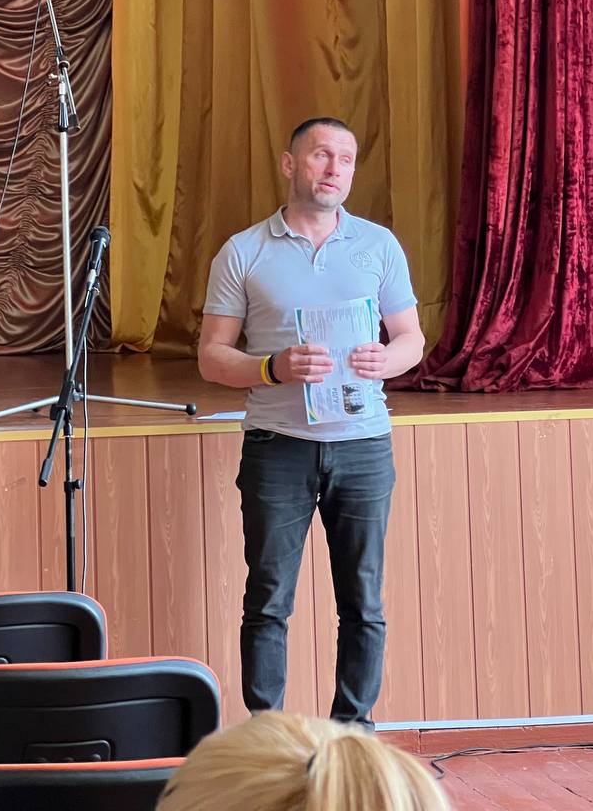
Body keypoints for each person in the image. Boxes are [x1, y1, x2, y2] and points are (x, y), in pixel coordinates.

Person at [198, 118, 425, 726]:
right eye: (322, 155)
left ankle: (353, 733)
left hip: (363, 445)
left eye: (346, 159)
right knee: (269, 599)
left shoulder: (379, 246)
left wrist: (388, 361)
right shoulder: (243, 251)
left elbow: (411, 338)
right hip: (278, 447)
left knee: (364, 601)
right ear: (289, 164)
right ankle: (269, 733)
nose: (334, 168)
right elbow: (212, 357)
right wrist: (271, 367)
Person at [157, 710, 451, 811]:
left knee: (365, 614)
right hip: (263, 760)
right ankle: (268, 741)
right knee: (267, 611)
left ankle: (353, 728)